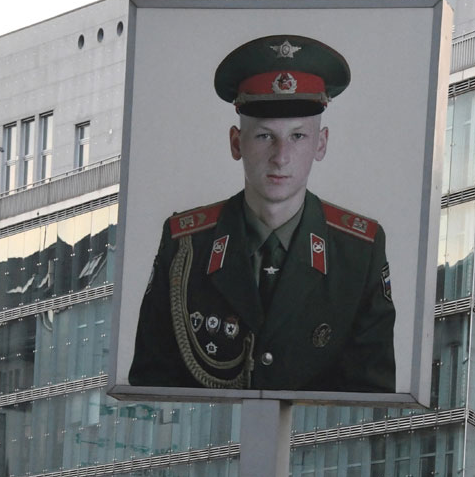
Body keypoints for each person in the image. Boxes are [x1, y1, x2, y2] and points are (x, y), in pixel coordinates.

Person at [129, 33, 395, 394]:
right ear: (236, 144)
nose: (281, 156)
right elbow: (151, 384)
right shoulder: (185, 245)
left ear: (322, 144)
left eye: (298, 136)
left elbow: (371, 399)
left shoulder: (359, 251)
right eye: (264, 137)